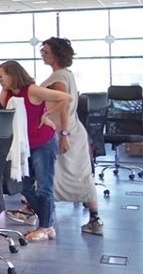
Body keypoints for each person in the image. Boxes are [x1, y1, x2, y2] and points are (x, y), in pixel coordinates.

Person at [0, 60, 71, 242]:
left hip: (42, 142)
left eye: (1, 76)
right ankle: (48, 224)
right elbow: (0, 113)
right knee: (24, 187)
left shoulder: (32, 90)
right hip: (24, 145)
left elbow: (66, 98)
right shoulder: (6, 93)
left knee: (44, 185)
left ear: (13, 75)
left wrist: (47, 114)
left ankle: (44, 227)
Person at [40, 37, 103, 235]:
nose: (42, 54)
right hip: (72, 131)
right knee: (77, 175)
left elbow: (64, 106)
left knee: (69, 175)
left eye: (46, 51)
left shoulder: (59, 78)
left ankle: (35, 212)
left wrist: (64, 134)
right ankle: (95, 219)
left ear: (57, 55)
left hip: (67, 133)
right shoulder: (65, 74)